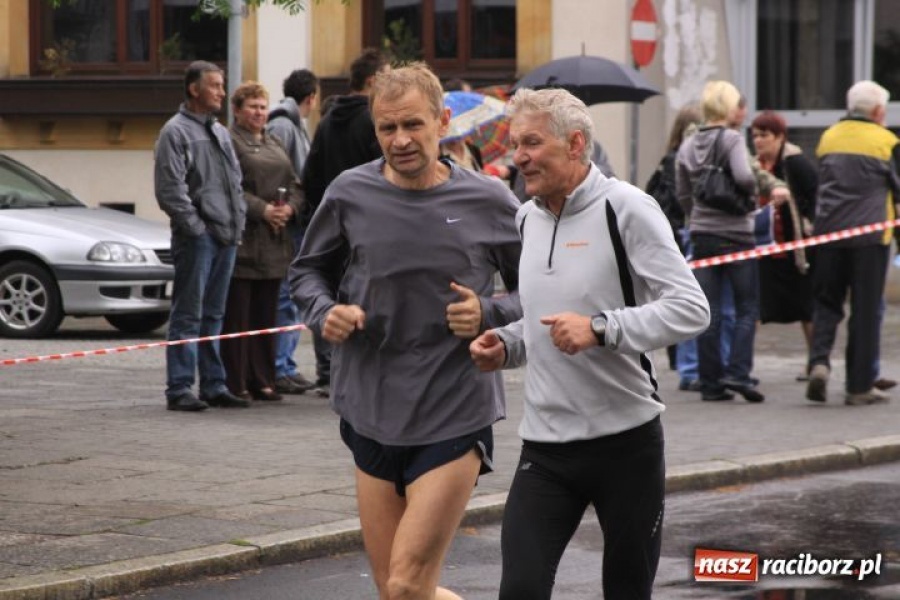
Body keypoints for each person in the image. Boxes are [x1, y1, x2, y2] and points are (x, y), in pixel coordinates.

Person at [290, 63, 522, 599]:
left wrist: (489, 312)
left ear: (442, 121)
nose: (400, 140)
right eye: (387, 128)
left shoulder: (488, 200)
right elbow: (306, 272)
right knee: (391, 590)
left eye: (413, 125)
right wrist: (326, 312)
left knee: (406, 586)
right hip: (370, 405)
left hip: (453, 406)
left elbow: (543, 289)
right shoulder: (350, 192)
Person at [469, 87, 709, 599]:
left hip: (626, 444)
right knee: (521, 589)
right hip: (547, 447)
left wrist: (601, 328)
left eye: (532, 142)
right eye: (516, 144)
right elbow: (546, 321)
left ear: (575, 143)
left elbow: (692, 309)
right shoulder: (526, 217)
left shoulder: (626, 209)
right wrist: (508, 344)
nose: (519, 157)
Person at [154, 60, 248, 412]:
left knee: (213, 315)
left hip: (226, 236)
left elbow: (235, 183)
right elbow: (170, 190)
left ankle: (213, 383)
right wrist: (197, 229)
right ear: (194, 89)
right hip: (199, 238)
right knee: (188, 314)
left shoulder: (221, 132)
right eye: (215, 86)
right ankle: (179, 388)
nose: (222, 93)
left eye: (222, 86)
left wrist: (236, 225)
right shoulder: (174, 132)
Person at [300, 47, 389, 398]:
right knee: (363, 294)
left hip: (331, 222)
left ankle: (328, 371)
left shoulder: (325, 122)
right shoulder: (371, 122)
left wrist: (320, 213)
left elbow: (310, 176)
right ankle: (356, 371)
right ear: (372, 81)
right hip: (371, 223)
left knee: (330, 291)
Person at [806, 80, 900, 406]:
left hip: (828, 235)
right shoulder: (887, 142)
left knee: (827, 304)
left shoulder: (829, 137)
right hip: (869, 240)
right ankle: (858, 387)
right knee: (864, 311)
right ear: (877, 111)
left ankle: (818, 363)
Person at [676, 80, 763, 403]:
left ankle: (710, 382)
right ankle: (738, 373)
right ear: (728, 107)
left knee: (708, 311)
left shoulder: (688, 144)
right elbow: (744, 176)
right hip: (737, 233)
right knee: (745, 307)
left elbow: (683, 190)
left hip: (702, 235)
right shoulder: (731, 139)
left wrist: (695, 216)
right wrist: (753, 194)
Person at [221, 81, 305, 403]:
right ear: (238, 110)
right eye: (252, 106)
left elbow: (296, 183)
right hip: (245, 239)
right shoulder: (230, 141)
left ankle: (264, 378)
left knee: (267, 315)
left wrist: (289, 209)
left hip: (275, 240)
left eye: (262, 106)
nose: (259, 112)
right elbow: (231, 187)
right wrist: (263, 209)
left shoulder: (274, 141)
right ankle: (237, 380)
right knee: (240, 315)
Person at [266, 68, 319, 396]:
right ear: (311, 97)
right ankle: (280, 366)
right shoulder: (285, 125)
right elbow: (283, 175)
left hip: (294, 221)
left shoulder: (290, 124)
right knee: (287, 297)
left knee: (291, 296)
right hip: (289, 224)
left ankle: (285, 364)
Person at [750, 110, 818, 356]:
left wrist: (807, 222)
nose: (758, 141)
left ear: (779, 137)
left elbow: (814, 196)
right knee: (755, 308)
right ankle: (742, 366)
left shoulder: (795, 163)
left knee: (807, 307)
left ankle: (816, 362)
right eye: (755, 135)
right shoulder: (753, 166)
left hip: (795, 247)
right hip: (763, 249)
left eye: (764, 135)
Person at [645, 103, 702, 382]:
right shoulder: (678, 159)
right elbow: (679, 200)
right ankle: (683, 362)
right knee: (680, 296)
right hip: (678, 234)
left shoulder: (668, 157)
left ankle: (679, 360)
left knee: (671, 294)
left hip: (672, 233)